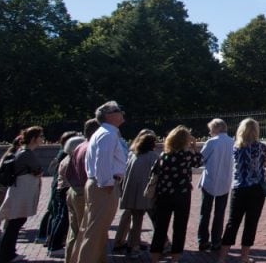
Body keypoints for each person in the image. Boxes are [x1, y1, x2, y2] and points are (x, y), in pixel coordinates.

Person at [77, 101, 128, 263]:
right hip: (104, 186)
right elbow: (103, 162)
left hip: (99, 184)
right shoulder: (108, 134)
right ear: (109, 116)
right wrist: (107, 183)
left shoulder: (105, 132)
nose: (121, 112)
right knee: (95, 232)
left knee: (94, 230)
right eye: (118, 110)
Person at [218, 118, 266, 263]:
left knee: (232, 222)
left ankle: (222, 256)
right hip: (256, 189)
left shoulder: (235, 147)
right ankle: (244, 256)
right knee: (251, 222)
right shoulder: (261, 147)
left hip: (239, 188)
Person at [0, 126, 44, 263]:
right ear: (34, 138)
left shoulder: (21, 152)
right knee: (15, 223)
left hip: (19, 190)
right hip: (22, 191)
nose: (43, 139)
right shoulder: (27, 154)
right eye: (41, 136)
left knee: (14, 223)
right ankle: (4, 256)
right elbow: (38, 170)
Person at [149, 125, 203, 263]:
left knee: (160, 227)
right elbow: (199, 162)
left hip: (164, 193)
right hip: (182, 194)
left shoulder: (163, 155)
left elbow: (154, 172)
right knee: (180, 227)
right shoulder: (186, 155)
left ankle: (154, 257)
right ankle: (175, 258)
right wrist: (194, 147)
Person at [114, 129, 159, 258]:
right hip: (144, 193)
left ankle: (131, 245)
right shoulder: (153, 157)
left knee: (135, 219)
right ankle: (134, 246)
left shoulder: (133, 155)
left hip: (131, 191)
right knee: (150, 218)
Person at [63, 119, 98, 263]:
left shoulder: (80, 146)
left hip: (73, 191)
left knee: (74, 231)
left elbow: (69, 172)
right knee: (86, 231)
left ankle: (70, 259)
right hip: (83, 193)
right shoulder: (91, 147)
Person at [197, 119, 234, 252]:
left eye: (211, 129)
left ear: (217, 128)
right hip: (225, 182)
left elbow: (200, 159)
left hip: (209, 181)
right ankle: (216, 241)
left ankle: (203, 240)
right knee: (220, 213)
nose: (210, 132)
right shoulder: (232, 142)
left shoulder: (212, 142)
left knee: (205, 213)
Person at [42, 130, 80, 257]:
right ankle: (55, 246)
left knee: (58, 217)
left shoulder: (64, 156)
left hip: (60, 189)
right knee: (63, 219)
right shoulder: (68, 158)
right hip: (64, 189)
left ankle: (52, 242)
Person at [0, 136, 22, 239]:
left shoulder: (7, 154)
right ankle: (4, 231)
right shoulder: (14, 156)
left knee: (0, 208)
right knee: (7, 208)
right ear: (18, 145)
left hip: (2, 183)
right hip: (8, 184)